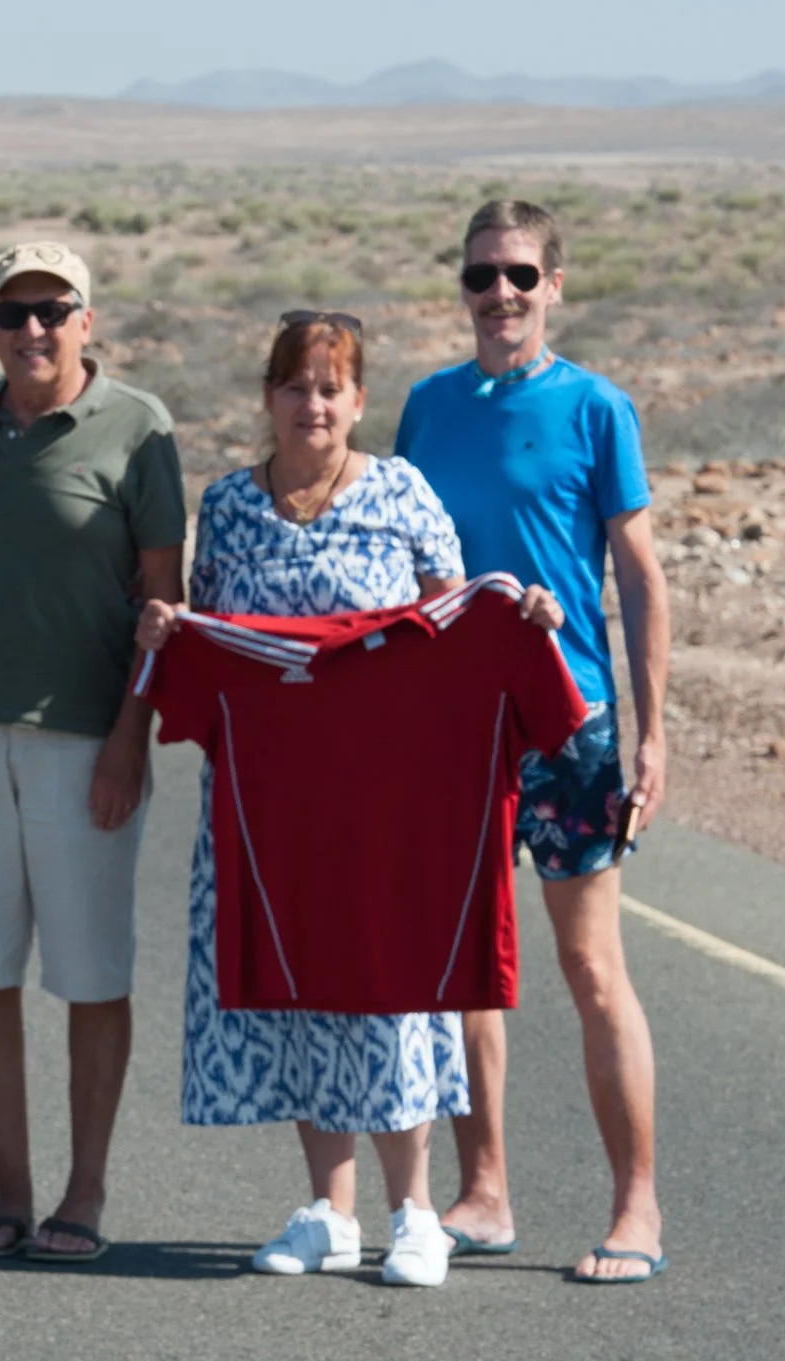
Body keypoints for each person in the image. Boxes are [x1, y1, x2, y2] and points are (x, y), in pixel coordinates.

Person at [134, 313, 563, 1289]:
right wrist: (169, 629)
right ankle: (329, 1210)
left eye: (331, 387)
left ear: (359, 400)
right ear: (267, 397)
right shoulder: (231, 506)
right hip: (274, 803)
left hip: (390, 801)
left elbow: (460, 626)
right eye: (294, 385)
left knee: (390, 989)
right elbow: (213, 634)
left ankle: (414, 1211)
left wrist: (524, 614)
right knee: (300, 990)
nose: (312, 404)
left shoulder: (402, 492)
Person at [394, 199, 672, 1284]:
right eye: (479, 277)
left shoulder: (597, 410)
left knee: (589, 964)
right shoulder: (426, 407)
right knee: (465, 966)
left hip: (573, 720)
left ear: (554, 284)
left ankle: (636, 1205)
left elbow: (640, 578)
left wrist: (652, 738)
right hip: (454, 724)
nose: (498, 296)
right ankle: (484, 1190)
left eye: (517, 275)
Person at [0, 242, 186, 1264]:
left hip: (86, 739)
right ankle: (9, 1192)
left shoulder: (138, 427)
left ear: (89, 320)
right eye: (12, 311)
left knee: (88, 974)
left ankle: (84, 1191)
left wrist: (132, 736)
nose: (32, 330)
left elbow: (165, 604)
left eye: (53, 310)